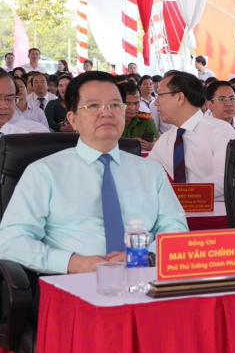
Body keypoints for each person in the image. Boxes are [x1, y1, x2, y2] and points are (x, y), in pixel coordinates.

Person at [0, 71, 188, 274]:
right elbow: (11, 242)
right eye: (93, 106)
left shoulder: (151, 171)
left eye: (115, 105)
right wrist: (72, 263)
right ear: (72, 119)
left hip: (143, 279)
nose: (107, 113)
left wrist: (146, 256)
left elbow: (175, 230)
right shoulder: (44, 172)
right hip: (72, 285)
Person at [149, 71, 235, 201]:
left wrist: (182, 195)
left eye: (160, 95)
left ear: (179, 98)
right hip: (177, 215)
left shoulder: (219, 131)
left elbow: (223, 178)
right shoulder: (166, 139)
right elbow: (144, 173)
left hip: (215, 216)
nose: (156, 103)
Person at [120, 82, 158, 150]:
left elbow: (157, 141)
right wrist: (129, 143)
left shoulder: (146, 119)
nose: (132, 108)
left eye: (136, 103)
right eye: (127, 103)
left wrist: (153, 145)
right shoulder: (109, 120)